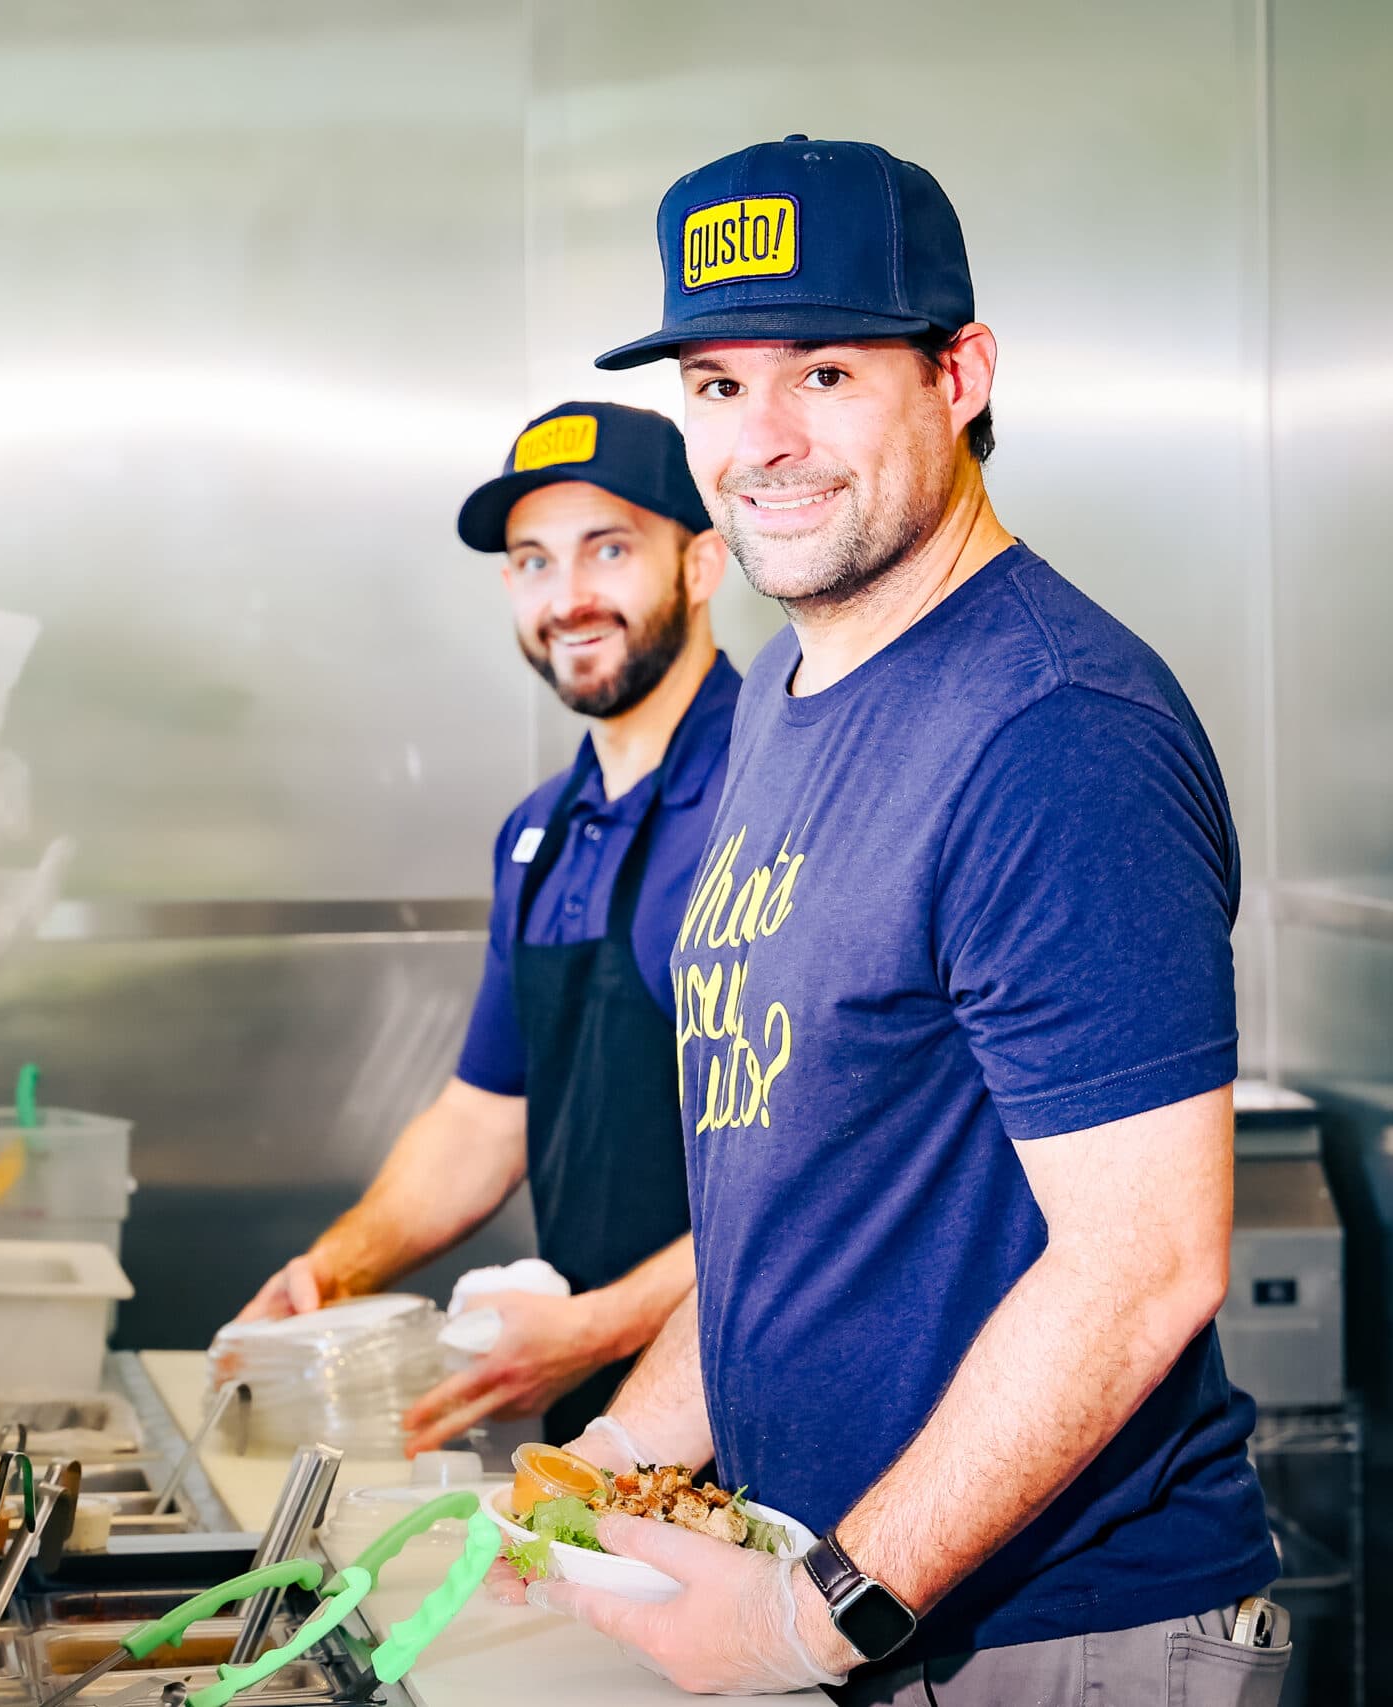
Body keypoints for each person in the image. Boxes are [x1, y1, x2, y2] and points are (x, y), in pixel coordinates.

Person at [517, 138, 1288, 1706]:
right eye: (719, 386)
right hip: (874, 1603)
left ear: (960, 374)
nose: (763, 440)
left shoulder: (1055, 730)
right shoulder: (792, 697)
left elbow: (1145, 1265)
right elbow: (794, 1222)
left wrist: (814, 1613)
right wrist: (610, 1457)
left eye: (824, 370)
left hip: (1064, 1638)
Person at [234, 401, 740, 1456]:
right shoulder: (538, 833)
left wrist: (598, 1324)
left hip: (768, 1409)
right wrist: (333, 1269)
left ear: (700, 566)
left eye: (609, 549)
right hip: (600, 1417)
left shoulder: (774, 795)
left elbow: (839, 1163)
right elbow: (484, 1119)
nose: (570, 599)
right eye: (533, 562)